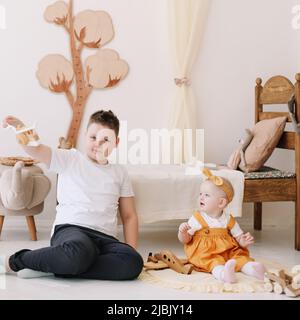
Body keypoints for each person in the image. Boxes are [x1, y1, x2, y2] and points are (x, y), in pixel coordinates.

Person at [0, 110, 144, 280]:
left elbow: (129, 216)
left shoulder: (120, 172)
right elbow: (37, 150)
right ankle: (17, 261)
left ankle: (52, 266)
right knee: (79, 251)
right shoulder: (70, 159)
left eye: (106, 139)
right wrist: (21, 129)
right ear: (85, 136)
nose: (98, 143)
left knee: (133, 262)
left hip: (106, 239)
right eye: (93, 137)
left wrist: (130, 249)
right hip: (72, 230)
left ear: (116, 143)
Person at [178, 168, 265, 283]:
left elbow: (238, 237)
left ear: (221, 203)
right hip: (206, 252)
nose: (201, 197)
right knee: (213, 262)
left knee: (238, 256)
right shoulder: (197, 218)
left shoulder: (229, 219)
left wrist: (243, 241)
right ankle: (223, 274)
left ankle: (251, 269)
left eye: (207, 195)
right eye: (200, 194)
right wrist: (182, 232)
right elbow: (186, 240)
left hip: (227, 250)